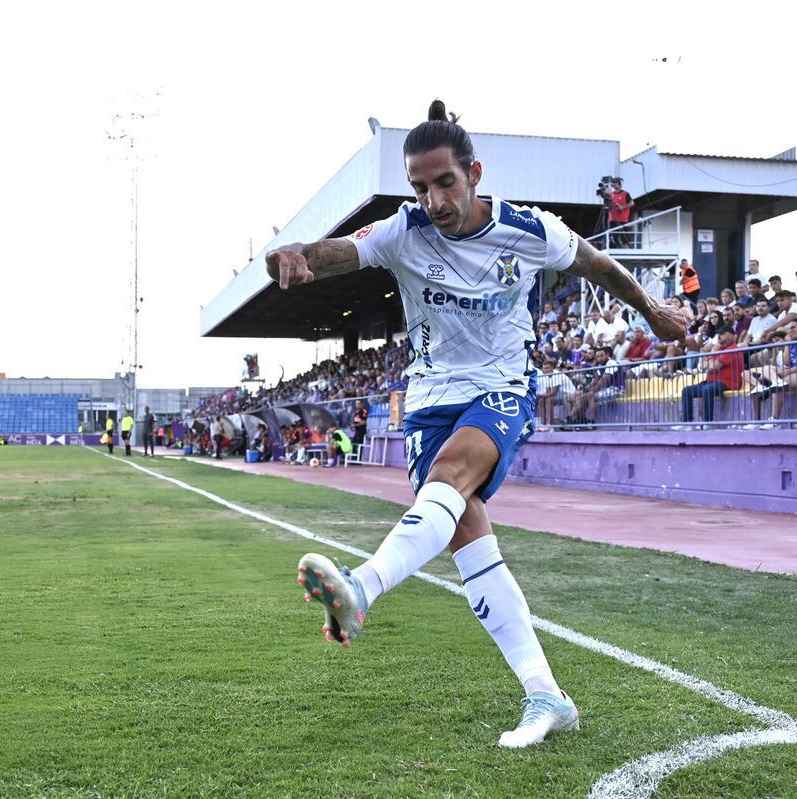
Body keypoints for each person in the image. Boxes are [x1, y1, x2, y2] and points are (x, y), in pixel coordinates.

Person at [265, 99, 686, 748]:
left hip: (502, 388)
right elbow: (342, 253)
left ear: (474, 173)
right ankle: (547, 695)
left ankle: (362, 587)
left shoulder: (528, 230)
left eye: (444, 183)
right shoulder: (405, 232)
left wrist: (653, 311)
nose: (433, 200)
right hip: (429, 399)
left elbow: (598, 265)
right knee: (469, 541)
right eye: (420, 186)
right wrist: (298, 256)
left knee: (452, 474)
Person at [679, 327, 743, 424]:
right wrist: (711, 358)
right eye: (719, 335)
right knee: (687, 391)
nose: (719, 337)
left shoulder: (733, 349)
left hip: (727, 382)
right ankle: (687, 422)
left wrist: (711, 360)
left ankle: (707, 422)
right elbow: (704, 366)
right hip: (711, 382)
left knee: (707, 390)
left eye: (722, 334)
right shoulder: (719, 349)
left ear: (730, 335)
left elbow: (714, 367)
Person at [606, 177, 635, 248]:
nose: (614, 185)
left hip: (622, 219)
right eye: (613, 183)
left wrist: (622, 207)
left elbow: (632, 203)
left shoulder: (625, 193)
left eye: (616, 183)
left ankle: (627, 249)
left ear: (620, 184)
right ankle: (615, 248)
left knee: (625, 237)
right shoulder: (611, 195)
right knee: (613, 237)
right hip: (612, 219)